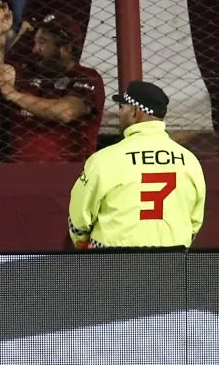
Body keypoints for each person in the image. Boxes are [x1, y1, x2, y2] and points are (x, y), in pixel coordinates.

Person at [68, 82, 206, 249]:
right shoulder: (190, 161)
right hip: (171, 265)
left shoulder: (104, 160)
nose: (119, 113)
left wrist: (82, 242)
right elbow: (195, 222)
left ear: (135, 112)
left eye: (122, 107)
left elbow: (79, 218)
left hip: (116, 265)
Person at [0, 1, 105, 162]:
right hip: (17, 176)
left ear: (65, 49)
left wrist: (14, 96)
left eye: (42, 42)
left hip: (67, 176)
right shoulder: (29, 71)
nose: (35, 49)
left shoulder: (86, 76)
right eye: (35, 41)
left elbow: (67, 111)